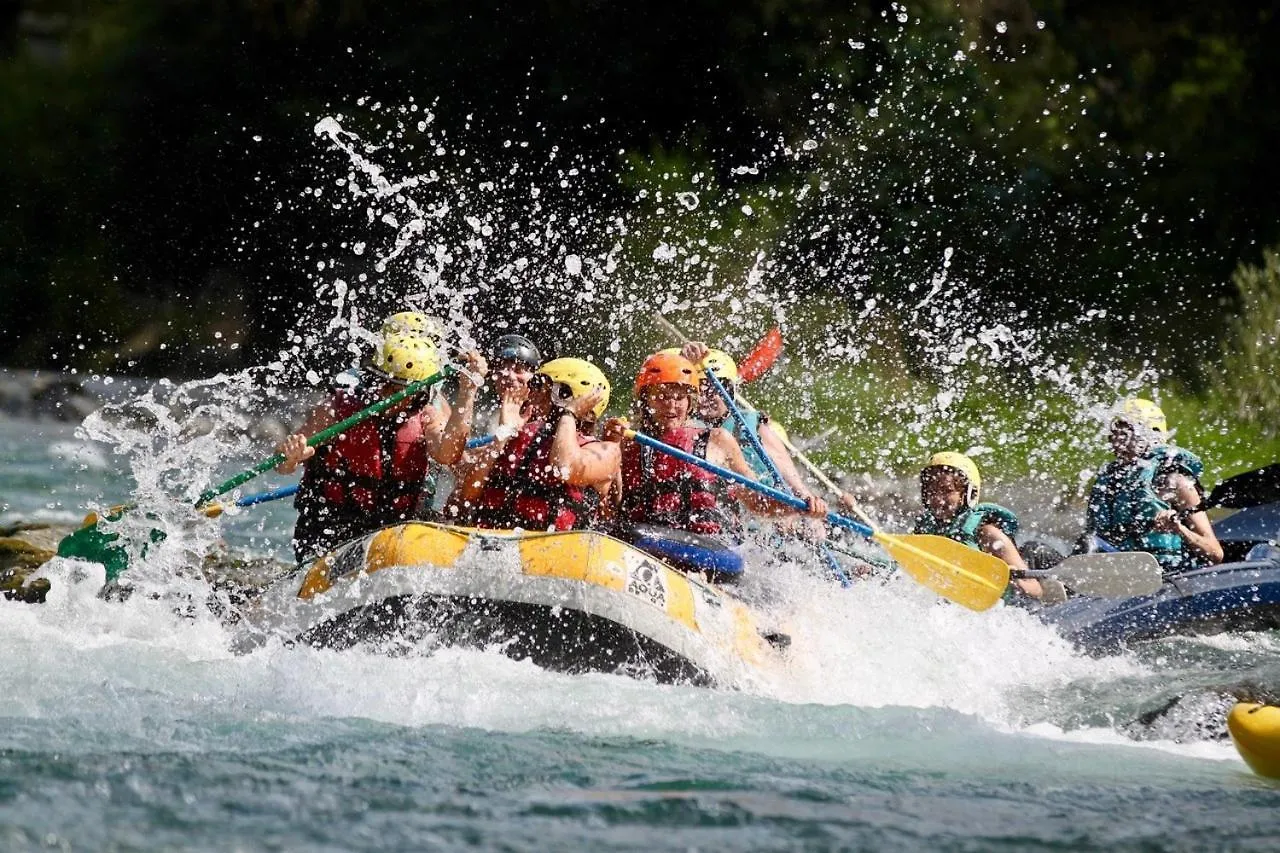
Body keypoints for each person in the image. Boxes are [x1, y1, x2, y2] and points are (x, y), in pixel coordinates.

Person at [275, 325, 487, 562]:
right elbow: (283, 466)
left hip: (395, 524)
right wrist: (291, 455)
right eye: (384, 384)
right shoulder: (337, 409)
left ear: (419, 392)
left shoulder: (427, 414)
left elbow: (448, 455)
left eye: (398, 389)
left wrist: (468, 392)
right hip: (332, 526)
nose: (388, 395)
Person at [604, 351, 826, 538]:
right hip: (642, 540)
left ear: (690, 402)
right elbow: (612, 503)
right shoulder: (625, 441)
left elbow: (757, 502)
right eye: (661, 396)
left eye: (679, 398)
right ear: (645, 400)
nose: (671, 406)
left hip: (706, 546)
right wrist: (610, 448)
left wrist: (800, 505)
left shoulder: (718, 440)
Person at [453, 357, 620, 531]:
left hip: (555, 549)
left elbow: (564, 467)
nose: (531, 393)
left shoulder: (606, 451)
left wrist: (569, 414)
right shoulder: (520, 434)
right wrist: (502, 436)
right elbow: (468, 494)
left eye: (540, 387)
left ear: (565, 396)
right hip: (493, 543)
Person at [1085, 398, 1222, 572]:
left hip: (1167, 577)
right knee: (1043, 552)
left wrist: (1179, 528)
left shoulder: (1177, 483)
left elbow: (1215, 553)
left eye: (1124, 431)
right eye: (1114, 432)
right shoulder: (1109, 482)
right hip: (1120, 573)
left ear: (1151, 434)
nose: (1116, 439)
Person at [913, 452, 1041, 599]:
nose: (937, 498)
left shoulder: (987, 533)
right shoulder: (925, 530)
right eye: (931, 491)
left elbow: (1036, 589)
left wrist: (1013, 580)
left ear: (968, 494)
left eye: (947, 491)